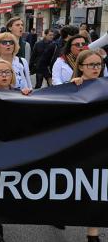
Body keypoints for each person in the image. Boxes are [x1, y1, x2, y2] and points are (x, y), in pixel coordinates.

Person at [68, 49, 105, 242]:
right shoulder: (72, 86)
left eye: (98, 64)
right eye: (91, 65)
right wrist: (72, 87)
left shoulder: (105, 86)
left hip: (101, 146)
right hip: (77, 147)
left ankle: (93, 235)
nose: (95, 68)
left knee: (99, 189)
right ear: (81, 66)